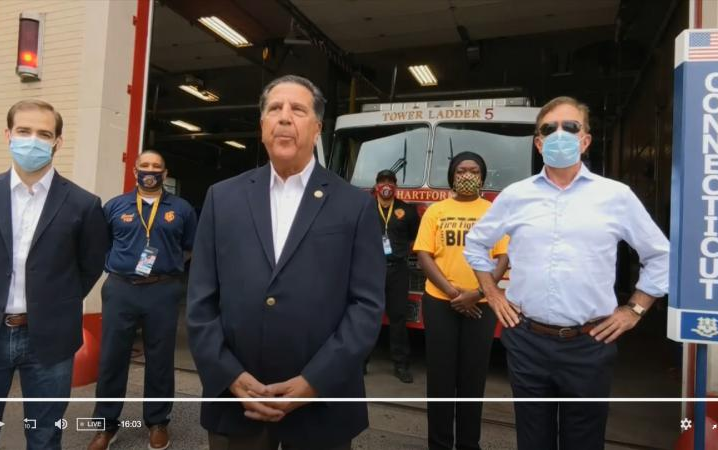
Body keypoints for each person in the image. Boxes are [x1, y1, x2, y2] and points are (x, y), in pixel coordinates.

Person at [186, 74, 385, 450]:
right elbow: (200, 300)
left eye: (298, 109)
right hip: (238, 403)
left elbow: (366, 306)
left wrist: (315, 381)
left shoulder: (355, 205)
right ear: (262, 125)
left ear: (317, 127)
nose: (284, 117)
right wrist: (230, 375)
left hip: (321, 406)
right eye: (275, 108)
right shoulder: (222, 198)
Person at [464, 96, 669, 450]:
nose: (560, 134)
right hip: (526, 340)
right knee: (533, 441)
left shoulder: (616, 196)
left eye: (570, 127)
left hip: (590, 344)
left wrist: (634, 309)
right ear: (538, 143)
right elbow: (476, 244)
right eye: (549, 129)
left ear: (585, 140)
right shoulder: (515, 196)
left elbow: (660, 255)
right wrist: (493, 294)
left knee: (584, 442)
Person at [0, 99, 109, 449]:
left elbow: (90, 265)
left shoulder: (84, 204)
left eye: (44, 134)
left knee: (45, 437)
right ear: (8, 135)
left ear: (58, 142)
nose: (32, 141)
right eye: (24, 131)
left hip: (50, 339)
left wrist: (55, 302)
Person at [87, 150, 197, 450]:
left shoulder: (182, 209)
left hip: (162, 289)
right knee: (112, 358)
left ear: (165, 172)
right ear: (135, 170)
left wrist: (166, 266)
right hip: (121, 289)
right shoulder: (115, 206)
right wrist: (119, 266)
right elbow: (101, 243)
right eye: (145, 165)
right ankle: (105, 425)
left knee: (160, 358)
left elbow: (190, 246)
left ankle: (158, 422)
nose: (151, 170)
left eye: (156, 166)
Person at [412, 151, 509, 450]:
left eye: (474, 171)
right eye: (461, 170)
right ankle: (439, 444)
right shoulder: (436, 211)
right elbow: (424, 255)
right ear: (452, 176)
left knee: (473, 378)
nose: (468, 175)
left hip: (481, 305)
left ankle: (469, 444)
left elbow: (503, 258)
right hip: (440, 303)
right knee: (440, 379)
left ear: (482, 177)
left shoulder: (493, 212)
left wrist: (478, 293)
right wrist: (455, 295)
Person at [367, 169, 420, 383]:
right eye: (382, 181)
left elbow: (415, 237)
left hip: (398, 269)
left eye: (390, 181)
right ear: (376, 185)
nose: (386, 185)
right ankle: (360, 361)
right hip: (371, 269)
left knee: (398, 317)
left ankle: (401, 365)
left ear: (396, 186)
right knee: (368, 315)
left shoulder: (407, 210)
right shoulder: (366, 208)